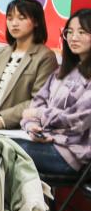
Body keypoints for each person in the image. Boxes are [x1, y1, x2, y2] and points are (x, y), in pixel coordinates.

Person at [0, 0, 57, 131]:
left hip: (13, 128)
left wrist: (2, 120)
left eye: (21, 18)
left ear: (36, 22)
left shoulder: (45, 56)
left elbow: (39, 100)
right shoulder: (1, 53)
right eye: (9, 18)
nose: (14, 23)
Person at [19, 9, 91, 176]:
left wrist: (39, 114)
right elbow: (36, 103)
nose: (73, 37)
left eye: (82, 32)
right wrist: (32, 127)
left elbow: (77, 119)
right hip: (45, 141)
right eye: (69, 32)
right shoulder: (61, 72)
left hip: (72, 154)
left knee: (1, 149)